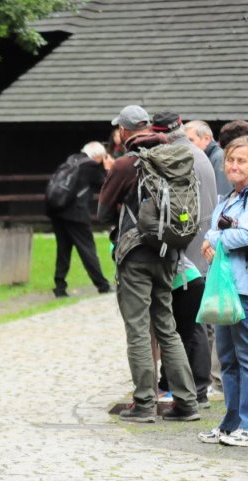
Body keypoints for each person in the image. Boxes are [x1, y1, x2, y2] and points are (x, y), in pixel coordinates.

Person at [97, 104, 199, 424]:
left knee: (138, 329)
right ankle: (187, 402)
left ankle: (144, 403)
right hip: (168, 251)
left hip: (135, 253)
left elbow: (101, 212)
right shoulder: (173, 156)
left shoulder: (126, 164)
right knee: (167, 326)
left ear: (124, 131)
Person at [197, 135, 248, 447]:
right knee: (228, 358)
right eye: (230, 160)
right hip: (225, 287)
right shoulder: (229, 198)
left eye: (242, 160)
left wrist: (213, 240)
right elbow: (215, 231)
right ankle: (232, 423)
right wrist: (210, 241)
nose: (234, 165)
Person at [152, 111, 217, 407]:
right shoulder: (197, 154)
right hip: (200, 242)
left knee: (190, 323)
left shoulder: (178, 156)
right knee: (192, 320)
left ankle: (196, 387)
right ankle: (188, 384)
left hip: (189, 248)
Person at [47, 141, 112, 297]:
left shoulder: (72, 159)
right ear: (98, 156)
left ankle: (60, 286)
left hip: (58, 210)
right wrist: (107, 168)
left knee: (63, 249)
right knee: (87, 249)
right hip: (76, 214)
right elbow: (106, 185)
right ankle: (102, 285)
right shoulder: (90, 166)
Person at [184, 120, 231, 200]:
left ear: (206, 139)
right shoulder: (207, 157)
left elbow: (222, 196)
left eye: (191, 140)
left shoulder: (218, 158)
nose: (187, 145)